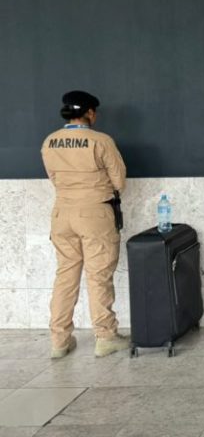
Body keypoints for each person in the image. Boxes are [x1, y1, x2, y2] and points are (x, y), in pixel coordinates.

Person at [41, 90, 130, 358]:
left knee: (65, 276)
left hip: (62, 214)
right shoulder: (100, 141)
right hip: (94, 214)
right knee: (98, 275)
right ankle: (105, 336)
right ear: (90, 113)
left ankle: (59, 341)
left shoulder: (50, 141)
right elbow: (119, 181)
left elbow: (53, 178)